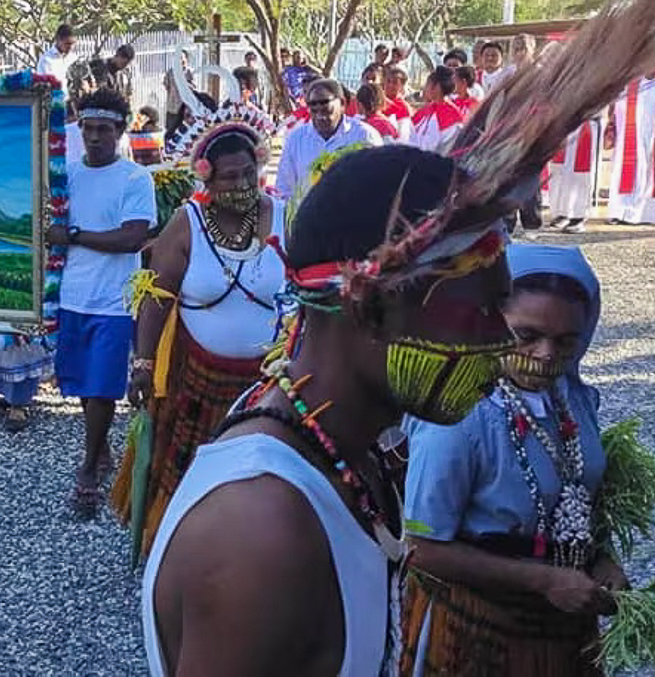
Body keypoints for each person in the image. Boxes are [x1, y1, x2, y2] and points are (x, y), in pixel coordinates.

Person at [143, 145, 519, 677]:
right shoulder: (262, 533)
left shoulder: (349, 451)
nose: (504, 343)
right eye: (484, 310)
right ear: (372, 311)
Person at [400, 244, 625, 676]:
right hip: (478, 632)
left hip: (563, 627)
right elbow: (421, 547)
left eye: (565, 341)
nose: (545, 355)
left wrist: (601, 558)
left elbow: (579, 495)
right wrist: (541, 580)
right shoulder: (459, 416)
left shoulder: (574, 400)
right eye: (526, 336)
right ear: (489, 320)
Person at [112, 101, 284, 559]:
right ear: (206, 176)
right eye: (229, 176)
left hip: (269, 382)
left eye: (249, 172)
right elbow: (155, 296)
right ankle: (183, 553)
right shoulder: (186, 224)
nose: (243, 184)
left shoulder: (285, 217)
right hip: (197, 383)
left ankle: (256, 551)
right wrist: (144, 365)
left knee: (261, 472)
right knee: (192, 469)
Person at [47, 88, 156, 519]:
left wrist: (74, 236)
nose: (94, 137)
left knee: (101, 387)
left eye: (104, 130)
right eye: (88, 128)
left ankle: (89, 467)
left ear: (120, 131)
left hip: (114, 300)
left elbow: (133, 237)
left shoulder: (135, 179)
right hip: (72, 296)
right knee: (78, 383)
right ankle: (101, 447)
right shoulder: (68, 175)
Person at [274, 78, 381, 201]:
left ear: (342, 104)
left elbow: (376, 187)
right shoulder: (296, 139)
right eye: (313, 107)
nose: (320, 115)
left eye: (325, 106)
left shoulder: (365, 137)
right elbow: (284, 189)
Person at [603, 64, 655, 224]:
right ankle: (620, 212)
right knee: (625, 172)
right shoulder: (632, 80)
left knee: (651, 175)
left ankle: (648, 215)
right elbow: (616, 104)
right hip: (628, 137)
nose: (654, 66)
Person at [548, 116, 600, 233]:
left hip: (585, 122)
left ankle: (578, 215)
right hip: (565, 121)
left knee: (580, 171)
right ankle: (562, 212)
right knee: (559, 170)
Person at [408, 65, 465, 153]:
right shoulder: (428, 108)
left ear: (436, 87)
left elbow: (429, 146)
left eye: (427, 84)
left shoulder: (449, 114)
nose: (424, 88)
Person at [163, 50, 195, 140]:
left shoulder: (189, 72)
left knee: (184, 133)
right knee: (170, 132)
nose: (180, 60)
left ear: (185, 59)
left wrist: (185, 84)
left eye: (182, 58)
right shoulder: (170, 72)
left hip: (185, 109)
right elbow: (166, 86)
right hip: (172, 108)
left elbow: (194, 88)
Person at [36, 23, 78, 89]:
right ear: (58, 40)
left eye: (73, 43)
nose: (71, 47)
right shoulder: (46, 61)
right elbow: (45, 87)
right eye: (67, 43)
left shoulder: (74, 58)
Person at [383, 66, 413, 140]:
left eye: (395, 82)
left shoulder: (403, 107)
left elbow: (403, 135)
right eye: (388, 81)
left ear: (402, 86)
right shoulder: (376, 100)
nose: (390, 85)